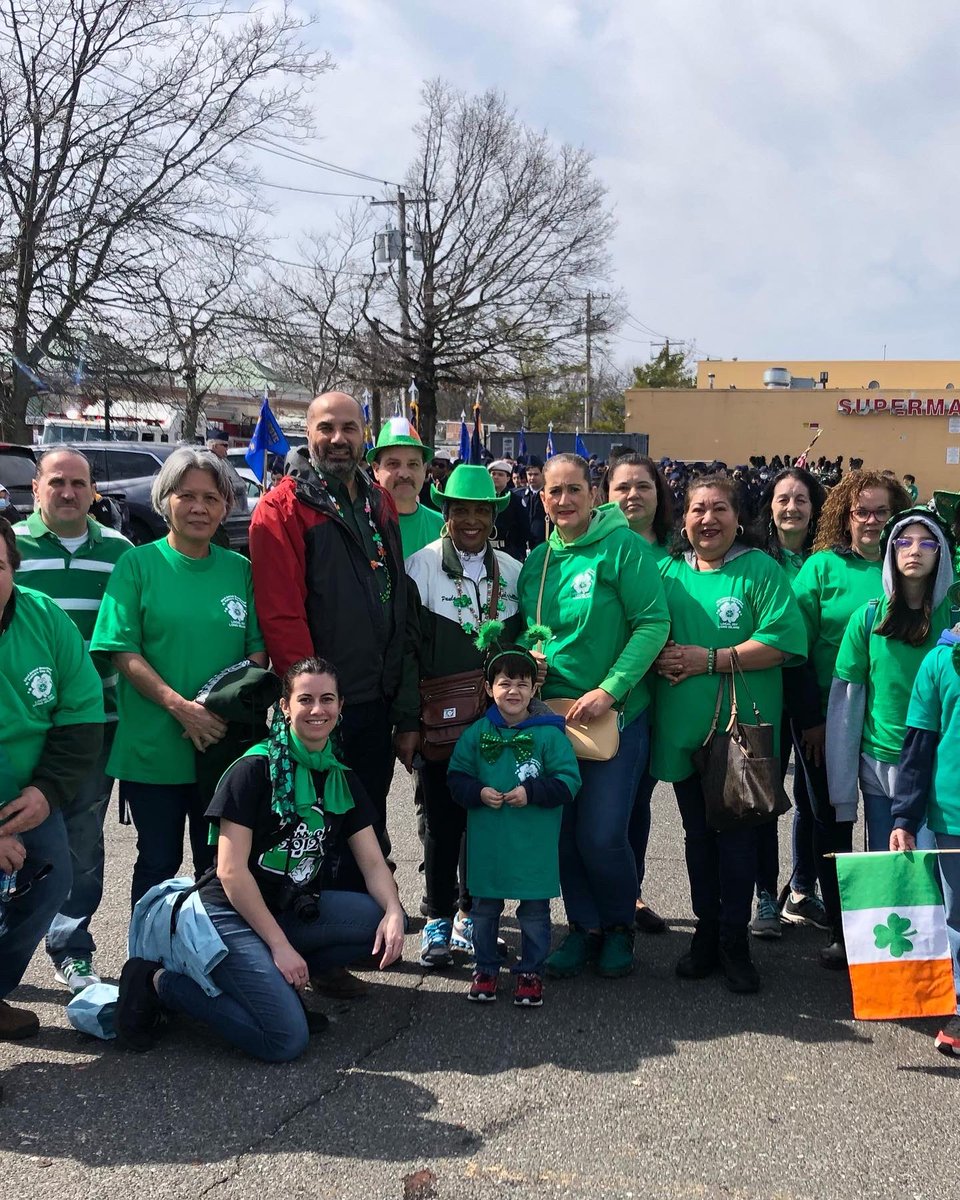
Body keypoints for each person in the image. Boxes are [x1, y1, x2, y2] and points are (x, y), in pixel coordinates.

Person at [115, 658, 406, 1062]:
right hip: (230, 913)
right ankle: (158, 982)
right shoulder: (254, 769)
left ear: (340, 706)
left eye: (327, 699)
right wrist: (279, 945)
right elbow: (230, 872)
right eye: (305, 699)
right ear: (285, 707)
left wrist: (394, 911)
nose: (317, 710)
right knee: (285, 1040)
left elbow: (373, 862)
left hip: (285, 906)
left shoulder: (340, 775)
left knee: (375, 919)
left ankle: (274, 986)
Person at [249, 392, 407, 946]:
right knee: (316, 829)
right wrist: (313, 704)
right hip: (322, 710)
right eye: (326, 428)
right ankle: (324, 949)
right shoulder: (282, 507)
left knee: (364, 822)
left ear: (364, 435)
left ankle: (361, 932)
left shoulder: (377, 501)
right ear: (307, 432)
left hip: (373, 700)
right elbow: (281, 612)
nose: (338, 439)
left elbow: (393, 598)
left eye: (349, 428)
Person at [90, 448, 266, 909]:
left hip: (222, 748)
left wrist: (216, 709)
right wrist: (180, 707)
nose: (199, 507)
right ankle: (145, 967)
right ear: (163, 500)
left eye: (211, 497)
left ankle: (214, 966)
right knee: (157, 863)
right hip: (154, 749)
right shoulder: (137, 565)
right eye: (186, 495)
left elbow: (257, 651)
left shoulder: (240, 570)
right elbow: (119, 648)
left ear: (227, 506)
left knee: (220, 866)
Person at [517, 453, 670, 979]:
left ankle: (619, 926)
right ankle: (584, 929)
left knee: (602, 835)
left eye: (574, 490)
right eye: (554, 492)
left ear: (593, 494)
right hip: (551, 719)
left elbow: (652, 623)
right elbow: (530, 633)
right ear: (542, 498)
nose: (564, 501)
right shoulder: (537, 563)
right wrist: (526, 657)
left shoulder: (621, 547)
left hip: (614, 716)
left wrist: (611, 689)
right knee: (562, 834)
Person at [652, 475, 806, 993]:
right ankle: (706, 931)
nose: (708, 519)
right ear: (684, 518)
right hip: (681, 732)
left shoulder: (760, 570)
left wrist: (709, 660)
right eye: (698, 509)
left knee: (737, 841)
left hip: (740, 738)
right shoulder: (666, 572)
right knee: (697, 838)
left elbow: (782, 643)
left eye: (720, 509)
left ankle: (734, 940)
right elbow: (644, 633)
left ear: (739, 518)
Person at [12, 448, 132, 994]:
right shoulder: (10, 548)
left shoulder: (119, 553)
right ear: (36, 487)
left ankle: (72, 943)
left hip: (91, 723)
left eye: (79, 483)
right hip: (16, 725)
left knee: (80, 842)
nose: (68, 492)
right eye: (57, 482)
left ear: (93, 492)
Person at [395, 466, 523, 967]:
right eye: (460, 510)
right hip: (437, 722)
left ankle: (473, 915)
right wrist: (406, 722)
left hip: (497, 723)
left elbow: (525, 645)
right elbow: (404, 653)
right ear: (445, 514)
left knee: (486, 821)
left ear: (493, 516)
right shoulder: (418, 568)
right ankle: (436, 916)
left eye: (481, 510)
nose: (471, 519)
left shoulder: (513, 571)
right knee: (441, 823)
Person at [791, 470, 910, 967]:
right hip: (827, 714)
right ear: (845, 516)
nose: (872, 521)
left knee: (894, 826)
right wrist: (813, 720)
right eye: (862, 511)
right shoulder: (820, 568)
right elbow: (794, 649)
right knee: (831, 821)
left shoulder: (910, 571)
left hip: (889, 719)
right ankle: (843, 930)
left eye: (883, 512)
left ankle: (893, 926)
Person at [0, 517, 104, 1039]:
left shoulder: (44, 617)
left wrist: (46, 791)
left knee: (52, 881)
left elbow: (82, 710)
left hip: (27, 791)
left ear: (12, 570)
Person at [448, 630, 580, 1006]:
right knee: (485, 909)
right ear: (490, 688)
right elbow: (455, 777)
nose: (513, 692)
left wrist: (533, 792)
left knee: (535, 912)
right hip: (489, 842)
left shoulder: (551, 736)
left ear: (533, 690)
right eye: (504, 683)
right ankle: (486, 967)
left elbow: (570, 781)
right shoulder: (476, 734)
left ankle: (531, 971)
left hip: (533, 842)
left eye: (522, 684)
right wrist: (476, 792)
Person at [827, 508, 954, 849]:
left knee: (938, 885)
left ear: (942, 553)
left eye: (927, 543)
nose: (915, 551)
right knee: (891, 876)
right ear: (890, 551)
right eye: (905, 541)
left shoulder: (955, 621)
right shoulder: (867, 619)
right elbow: (846, 705)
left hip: (943, 767)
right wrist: (842, 794)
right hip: (880, 767)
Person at [748, 466, 827, 940]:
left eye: (801, 499)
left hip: (815, 695)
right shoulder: (756, 558)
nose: (792, 507)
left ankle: (802, 887)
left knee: (814, 799)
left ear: (815, 508)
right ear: (770, 507)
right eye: (783, 499)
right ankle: (763, 896)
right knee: (762, 798)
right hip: (765, 693)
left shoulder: (826, 559)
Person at [598, 453, 674, 934]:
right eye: (621, 486)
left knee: (637, 802)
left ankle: (633, 892)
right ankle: (606, 901)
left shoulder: (677, 554)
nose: (631, 495)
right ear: (604, 495)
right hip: (615, 702)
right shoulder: (597, 547)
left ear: (659, 494)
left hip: (667, 696)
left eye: (642, 486)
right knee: (608, 811)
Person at [890, 629, 960, 1057]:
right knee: (957, 917)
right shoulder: (938, 662)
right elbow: (918, 746)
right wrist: (905, 817)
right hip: (953, 816)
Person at [368, 417, 443, 559]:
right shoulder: (362, 524)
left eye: (413, 464)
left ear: (424, 469)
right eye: (393, 464)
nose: (404, 474)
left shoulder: (443, 527)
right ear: (376, 470)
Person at [487, 459, 528, 561]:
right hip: (486, 550)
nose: (495, 477)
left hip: (508, 552)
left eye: (500, 475)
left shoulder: (515, 500)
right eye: (493, 474)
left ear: (508, 478)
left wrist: (519, 554)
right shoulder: (483, 499)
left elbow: (524, 530)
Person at [521, 456, 547, 551]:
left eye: (536, 474)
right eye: (529, 474)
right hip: (524, 545)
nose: (532, 478)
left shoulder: (548, 496)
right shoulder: (519, 495)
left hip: (543, 543)